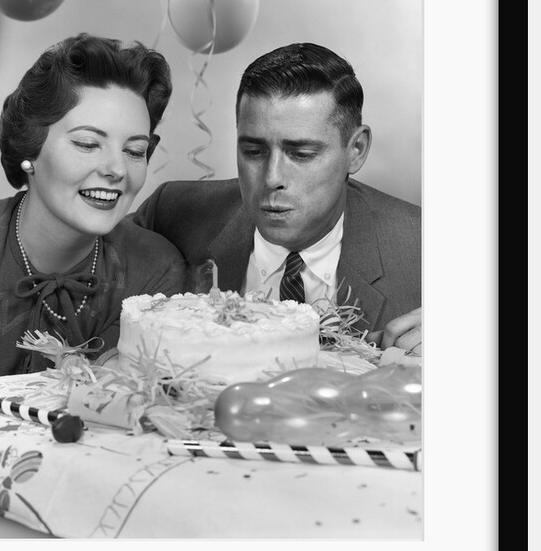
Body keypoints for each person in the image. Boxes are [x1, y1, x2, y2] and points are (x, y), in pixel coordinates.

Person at [131, 41, 421, 354]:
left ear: (356, 150)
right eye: (253, 151)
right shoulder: (175, 212)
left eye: (301, 154)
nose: (272, 178)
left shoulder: (425, 249)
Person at [0, 33, 187, 376]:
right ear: (29, 148)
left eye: (134, 151)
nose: (117, 170)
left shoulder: (155, 271)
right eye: (87, 143)